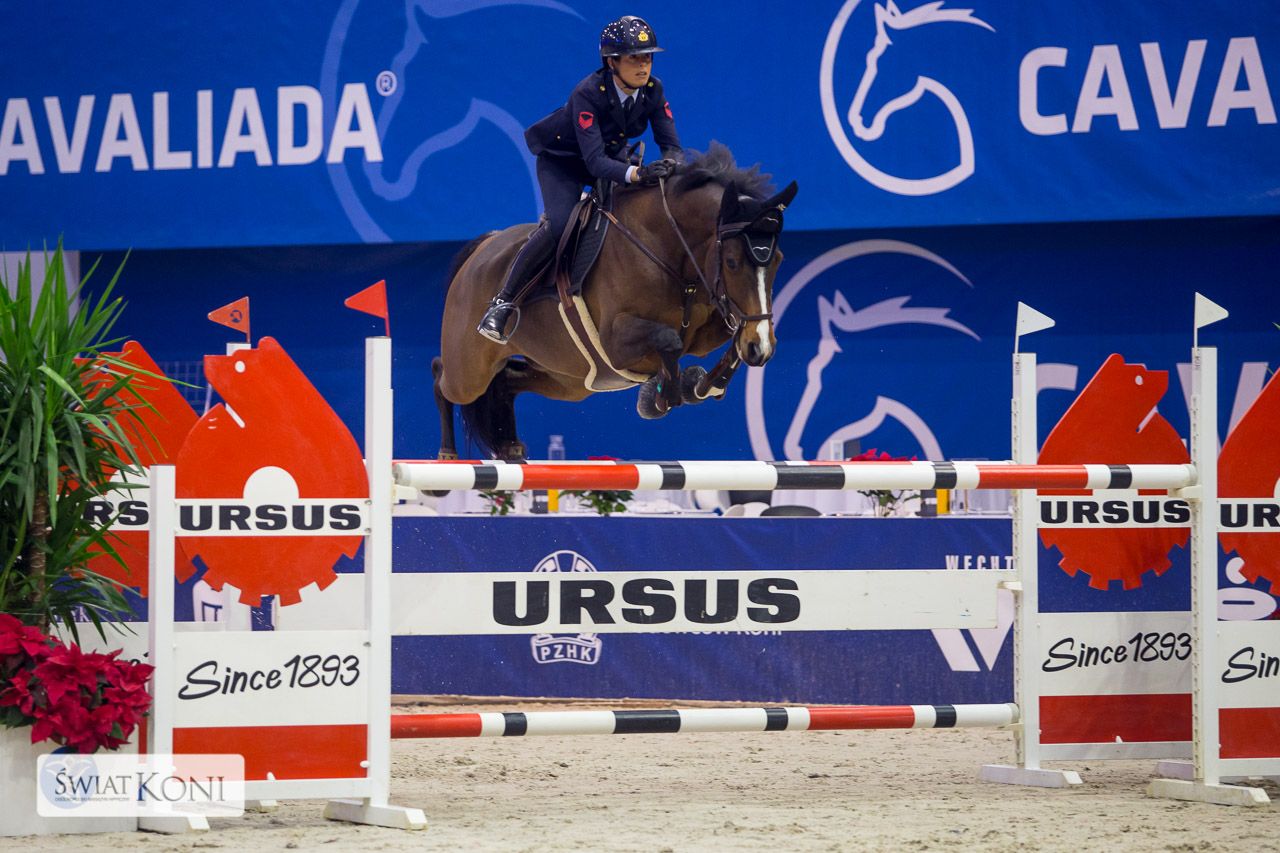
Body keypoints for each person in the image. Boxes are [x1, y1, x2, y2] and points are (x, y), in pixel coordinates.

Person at [477, 15, 684, 344]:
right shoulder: (588, 93)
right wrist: (637, 173)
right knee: (561, 225)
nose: (643, 66)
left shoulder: (653, 90)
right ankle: (502, 303)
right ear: (611, 62)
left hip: (613, 159)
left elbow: (671, 145)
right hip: (565, 162)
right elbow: (594, 162)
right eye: (633, 58)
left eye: (647, 57)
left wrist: (671, 166)